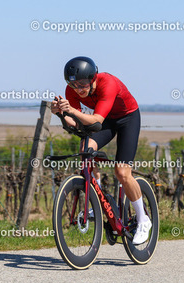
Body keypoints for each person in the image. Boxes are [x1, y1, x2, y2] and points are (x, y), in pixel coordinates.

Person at [51, 56, 151, 244]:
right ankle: (96, 200)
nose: (78, 89)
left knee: (122, 172)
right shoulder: (71, 90)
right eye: (73, 85)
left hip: (127, 118)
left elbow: (96, 120)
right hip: (106, 121)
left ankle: (143, 219)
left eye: (83, 84)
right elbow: (76, 123)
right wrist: (61, 114)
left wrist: (71, 111)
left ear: (93, 78)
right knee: (86, 150)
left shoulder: (108, 83)